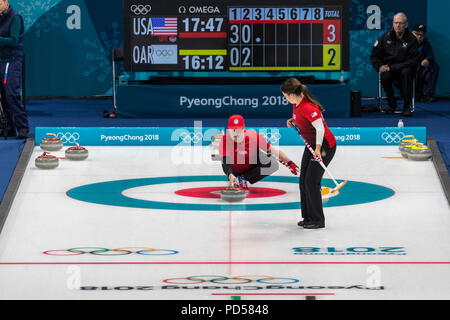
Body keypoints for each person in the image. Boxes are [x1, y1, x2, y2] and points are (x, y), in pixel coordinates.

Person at [281, 78, 336, 229]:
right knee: (303, 181)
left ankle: (318, 220)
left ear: (292, 94)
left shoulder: (309, 108)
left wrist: (318, 149)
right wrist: (293, 120)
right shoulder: (296, 104)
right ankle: (308, 217)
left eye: (285, 96)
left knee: (311, 182)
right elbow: (302, 119)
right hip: (312, 144)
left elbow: (320, 129)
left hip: (324, 146)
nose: (285, 98)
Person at [218, 114, 298, 188]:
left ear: (244, 128)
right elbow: (225, 162)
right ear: (229, 130)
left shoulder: (254, 137)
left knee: (272, 163)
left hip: (250, 168)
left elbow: (273, 150)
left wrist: (290, 163)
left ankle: (243, 178)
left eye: (239, 130)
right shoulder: (224, 141)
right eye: (233, 130)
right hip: (234, 171)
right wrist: (230, 175)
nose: (236, 133)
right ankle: (236, 178)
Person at [370, 12, 419, 117]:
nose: (398, 25)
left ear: (406, 25)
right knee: (384, 75)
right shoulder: (385, 37)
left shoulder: (412, 39)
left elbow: (413, 61)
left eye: (401, 23)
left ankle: (406, 107)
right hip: (389, 69)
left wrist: (392, 67)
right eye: (396, 22)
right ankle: (392, 105)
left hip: (405, 69)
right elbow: (374, 55)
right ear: (393, 23)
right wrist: (379, 66)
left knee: (406, 73)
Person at [0, 0, 29, 138]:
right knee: (3, 97)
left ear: (6, 2)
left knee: (11, 94)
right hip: (1, 59)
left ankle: (22, 127)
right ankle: (8, 128)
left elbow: (13, 40)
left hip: (12, 61)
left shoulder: (15, 17)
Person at [412, 24, 439, 103]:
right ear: (412, 33)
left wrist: (427, 60)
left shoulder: (426, 44)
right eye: (417, 34)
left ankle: (427, 94)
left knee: (434, 67)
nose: (420, 37)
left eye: (422, 35)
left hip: (420, 71)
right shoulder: (406, 43)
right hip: (409, 71)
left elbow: (431, 56)